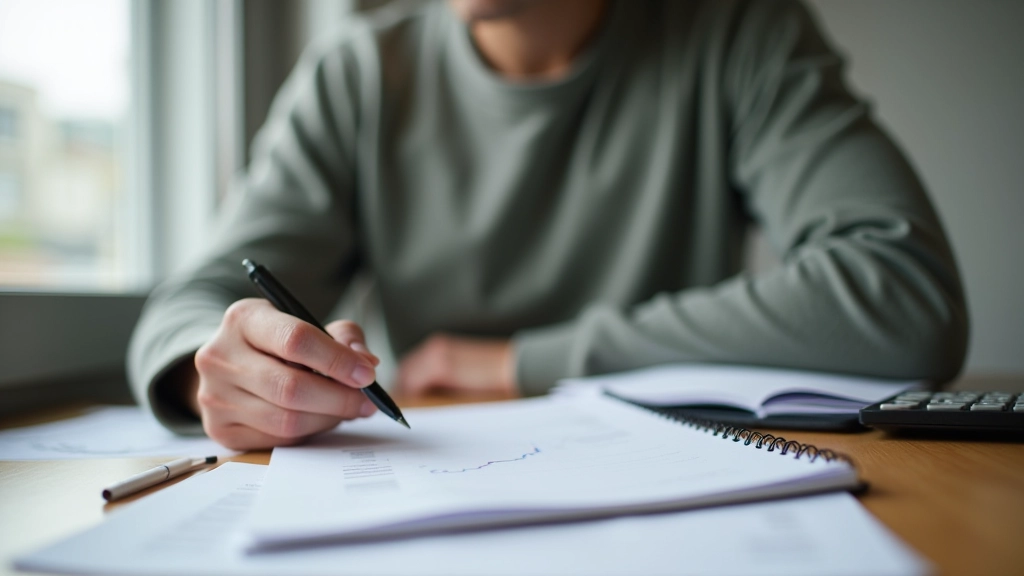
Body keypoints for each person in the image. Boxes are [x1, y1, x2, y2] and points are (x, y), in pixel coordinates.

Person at [128, 0, 969, 450]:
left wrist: (524, 361)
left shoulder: (738, 32)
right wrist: (220, 372)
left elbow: (901, 293)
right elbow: (197, 301)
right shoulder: (359, 74)